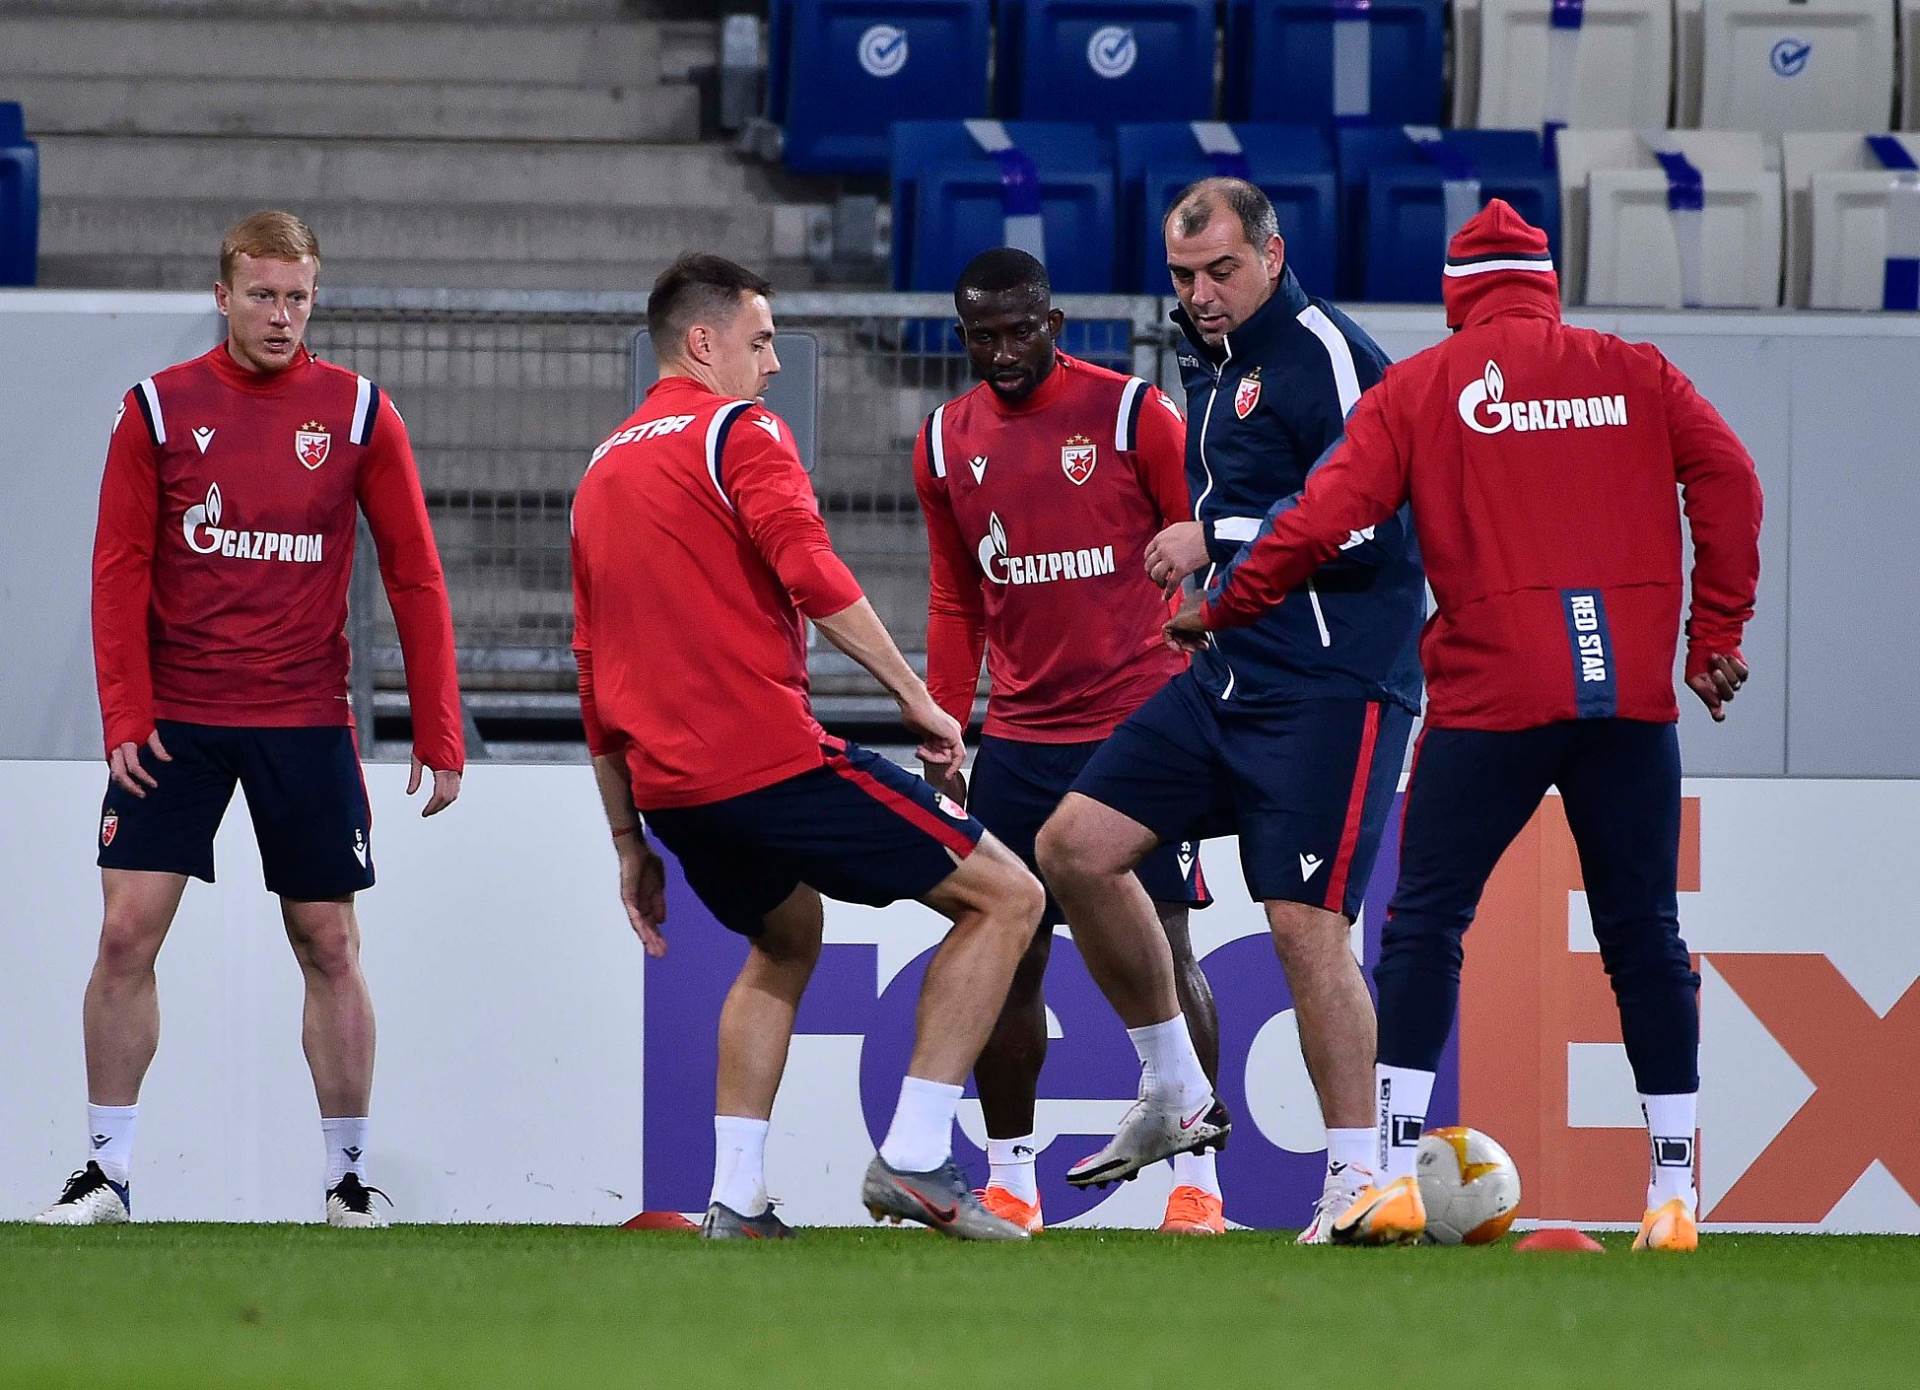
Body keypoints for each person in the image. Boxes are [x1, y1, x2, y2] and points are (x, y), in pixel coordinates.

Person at [1165, 199, 1763, 1253]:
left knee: (1427, 925)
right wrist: (1713, 628)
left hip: (1495, 695)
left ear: (1456, 292)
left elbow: (1321, 518)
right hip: (1626, 695)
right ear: (1546, 281)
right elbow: (1731, 478)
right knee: (1645, 939)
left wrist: (1223, 601)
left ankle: (1393, 1174)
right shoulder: (1638, 370)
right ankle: (1675, 1196)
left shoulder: (1425, 387)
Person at [572, 253, 1044, 1242]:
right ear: (704, 343)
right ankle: (915, 1157)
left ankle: (736, 1197)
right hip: (765, 763)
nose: (774, 364)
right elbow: (812, 571)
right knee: (1010, 895)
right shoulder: (740, 429)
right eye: (761, 339)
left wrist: (628, 841)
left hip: (671, 791)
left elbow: (591, 674)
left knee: (785, 939)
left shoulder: (603, 466)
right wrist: (917, 698)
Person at [38, 210, 465, 1229]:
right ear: (223, 295)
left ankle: (348, 1181)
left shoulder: (360, 413)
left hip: (305, 718)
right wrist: (124, 712)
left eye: (298, 296)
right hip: (177, 716)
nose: (281, 315)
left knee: (328, 943)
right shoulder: (155, 408)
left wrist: (439, 723)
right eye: (263, 295)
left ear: (315, 296)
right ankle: (106, 1173)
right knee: (126, 933)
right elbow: (117, 570)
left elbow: (415, 571)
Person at [1035, 179, 1425, 1242]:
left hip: (1333, 689)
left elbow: (1375, 521)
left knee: (1305, 930)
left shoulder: (1323, 353)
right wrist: (1214, 604)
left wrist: (1222, 539)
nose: (1202, 294)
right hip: (1230, 680)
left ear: (1271, 252)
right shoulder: (1222, 370)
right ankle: (1175, 1086)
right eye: (1183, 276)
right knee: (1074, 845)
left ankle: (1358, 1184)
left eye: (1221, 271)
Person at [914, 248, 1225, 1235]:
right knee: (1005, 954)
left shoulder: (1134, 414)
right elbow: (956, 596)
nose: (1002, 352)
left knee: (1169, 949)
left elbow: (1211, 535)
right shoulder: (941, 443)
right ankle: (1012, 1179)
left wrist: (1209, 668)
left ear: (1053, 321)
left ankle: (1199, 1188)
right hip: (1016, 738)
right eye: (981, 336)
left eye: (1018, 331)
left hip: (1138, 732)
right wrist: (942, 717)